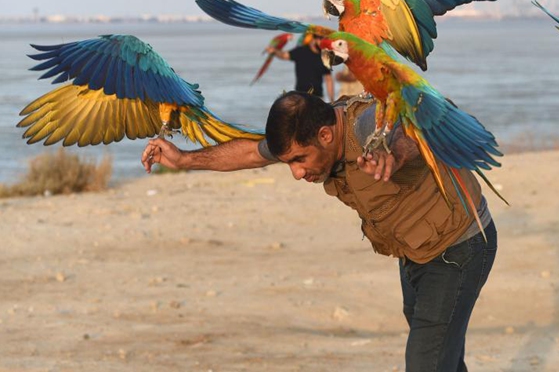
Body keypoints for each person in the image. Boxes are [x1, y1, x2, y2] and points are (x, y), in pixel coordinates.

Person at [141, 92, 497, 371]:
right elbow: (251, 153)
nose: (297, 173)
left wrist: (397, 154)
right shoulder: (310, 133)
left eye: (299, 160)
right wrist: (186, 160)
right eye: (288, 163)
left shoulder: (368, 125)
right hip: (417, 252)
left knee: (426, 360)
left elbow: (416, 126)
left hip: (459, 246)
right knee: (440, 354)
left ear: (326, 134)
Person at [267, 34, 335, 101]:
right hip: (300, 97)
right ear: (314, 39)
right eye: (320, 39)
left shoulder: (325, 57)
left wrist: (332, 100)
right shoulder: (301, 50)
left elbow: (328, 79)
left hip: (318, 97)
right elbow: (284, 55)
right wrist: (275, 51)